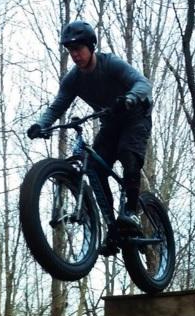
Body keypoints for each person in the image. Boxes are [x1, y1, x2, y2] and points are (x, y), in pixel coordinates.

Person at [27, 20, 152, 234]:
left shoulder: (110, 63)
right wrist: (41, 125)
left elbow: (143, 83)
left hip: (135, 117)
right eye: (70, 50)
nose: (75, 55)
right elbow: (58, 105)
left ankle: (131, 211)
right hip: (111, 123)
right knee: (95, 168)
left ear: (91, 46)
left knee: (127, 153)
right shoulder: (73, 80)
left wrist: (130, 98)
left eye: (78, 49)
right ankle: (113, 226)